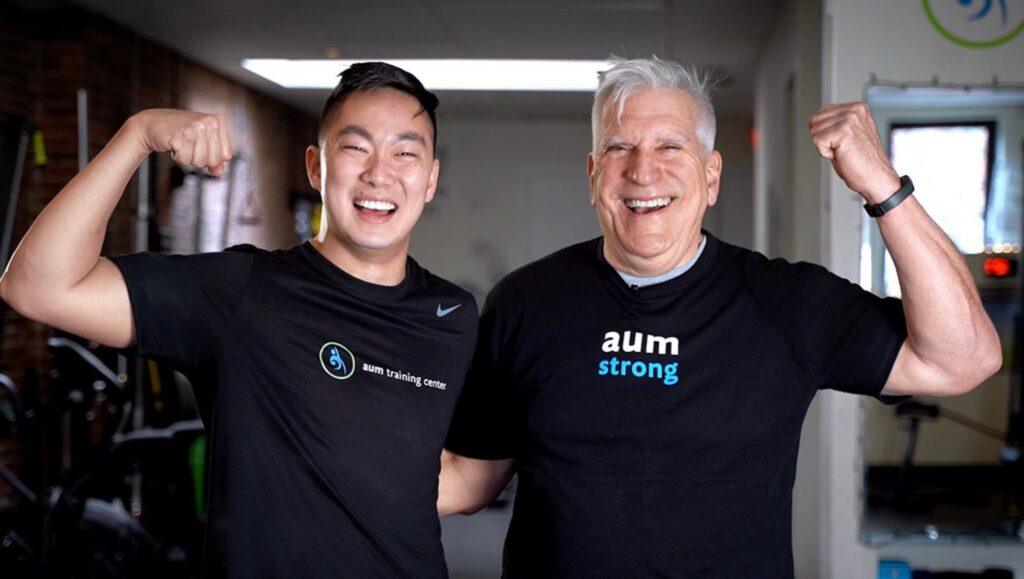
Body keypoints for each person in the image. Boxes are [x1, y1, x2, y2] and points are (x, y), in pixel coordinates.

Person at [437, 57, 1001, 577]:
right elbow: (471, 481)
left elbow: (962, 361)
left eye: (670, 148)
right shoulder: (526, 302)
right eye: (618, 149)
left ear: (711, 176)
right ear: (592, 175)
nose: (642, 171)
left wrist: (882, 185)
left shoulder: (786, 303)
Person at [1, 62, 477, 577]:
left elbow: (447, 478)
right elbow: (36, 286)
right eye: (357, 147)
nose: (379, 173)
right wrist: (137, 135)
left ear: (430, 179)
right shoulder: (241, 291)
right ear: (316, 168)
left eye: (405, 153)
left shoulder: (452, 315)